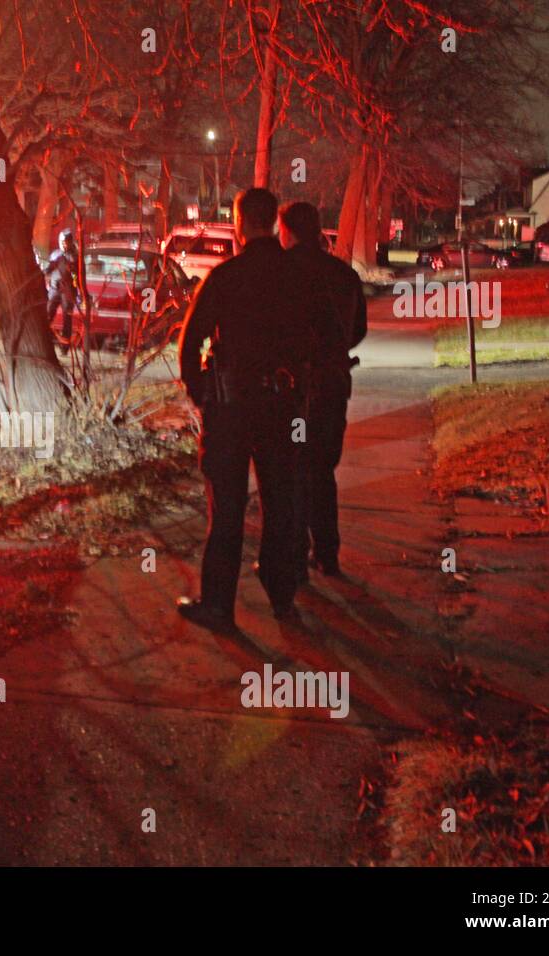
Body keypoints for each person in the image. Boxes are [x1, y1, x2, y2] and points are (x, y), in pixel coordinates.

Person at [175, 188, 326, 630]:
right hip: (282, 407)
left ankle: (220, 606)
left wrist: (201, 392)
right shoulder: (300, 279)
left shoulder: (225, 276)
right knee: (281, 503)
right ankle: (283, 599)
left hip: (231, 408)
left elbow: (190, 343)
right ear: (275, 224)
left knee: (227, 508)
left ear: (239, 224)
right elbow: (326, 337)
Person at [278, 201, 367, 578]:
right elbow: (358, 331)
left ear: (288, 231)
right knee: (322, 470)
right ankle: (327, 553)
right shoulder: (343, 275)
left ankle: (295, 554)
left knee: (292, 470)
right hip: (333, 385)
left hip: (294, 391)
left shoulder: (282, 273)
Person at [44, 228, 81, 351]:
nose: (65, 244)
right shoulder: (55, 255)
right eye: (63, 242)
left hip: (68, 291)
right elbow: (47, 270)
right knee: (48, 313)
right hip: (55, 288)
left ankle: (65, 346)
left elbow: (79, 275)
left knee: (67, 318)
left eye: (67, 242)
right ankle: (47, 338)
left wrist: (78, 292)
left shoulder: (75, 257)